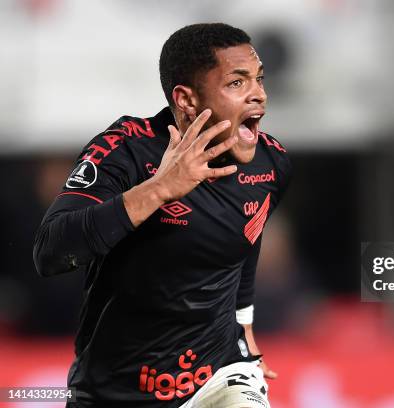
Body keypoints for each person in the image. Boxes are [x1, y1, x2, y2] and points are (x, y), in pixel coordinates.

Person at [33, 23, 291, 407]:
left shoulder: (272, 164)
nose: (259, 95)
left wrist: (245, 322)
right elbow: (51, 252)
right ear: (186, 100)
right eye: (237, 84)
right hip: (116, 391)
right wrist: (160, 189)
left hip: (218, 376)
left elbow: (246, 238)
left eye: (259, 79)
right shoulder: (125, 151)